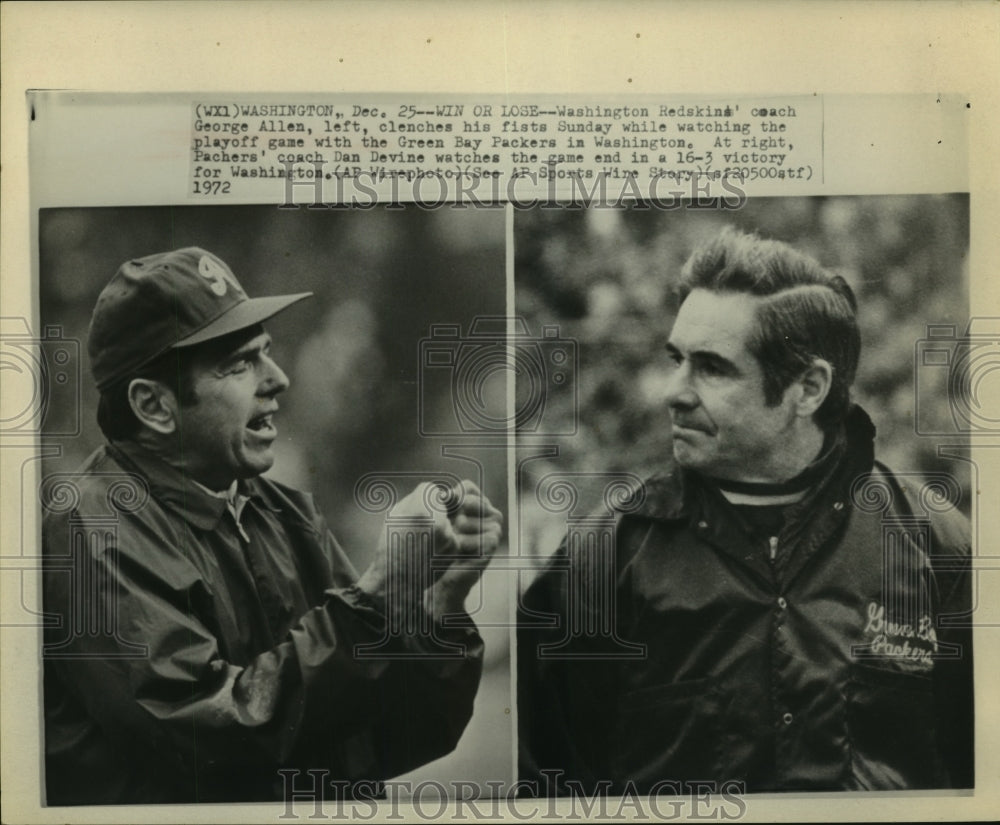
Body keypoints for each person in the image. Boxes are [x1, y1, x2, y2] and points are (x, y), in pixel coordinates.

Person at [518, 228, 973, 794]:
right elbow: (548, 784)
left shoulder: (939, 547)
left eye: (711, 368)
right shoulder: (603, 556)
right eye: (676, 359)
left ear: (807, 389)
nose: (672, 391)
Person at [42, 247, 504, 805]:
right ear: (154, 406)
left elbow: (386, 739)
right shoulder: (94, 529)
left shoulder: (282, 512)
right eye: (239, 364)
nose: (278, 379)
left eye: (267, 353)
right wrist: (378, 593)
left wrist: (437, 605)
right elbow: (215, 736)